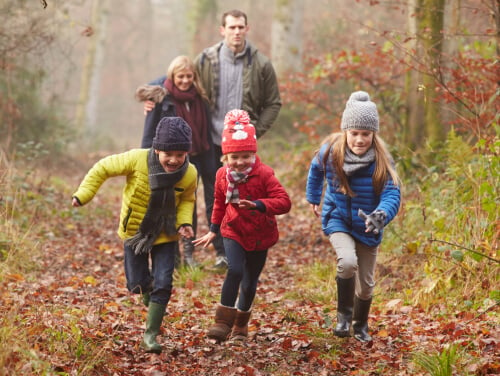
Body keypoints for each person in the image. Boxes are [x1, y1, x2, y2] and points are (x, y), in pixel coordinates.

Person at [143, 9, 282, 269]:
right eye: (231, 27)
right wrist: (153, 94)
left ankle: (225, 252)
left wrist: (252, 133)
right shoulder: (206, 59)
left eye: (241, 27)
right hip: (207, 141)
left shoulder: (261, 63)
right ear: (223, 30)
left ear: (247, 29)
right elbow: (178, 76)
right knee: (196, 195)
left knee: (229, 197)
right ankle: (190, 251)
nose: (237, 32)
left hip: (239, 147)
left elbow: (274, 102)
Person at [72, 117, 197, 353]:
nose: (174, 160)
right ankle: (150, 298)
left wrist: (184, 223)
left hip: (167, 235)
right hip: (135, 233)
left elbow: (187, 200)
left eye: (180, 154)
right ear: (157, 148)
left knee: (164, 282)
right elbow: (103, 168)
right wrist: (84, 194)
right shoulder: (136, 159)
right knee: (137, 284)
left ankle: (150, 336)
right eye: (168, 153)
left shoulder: (189, 173)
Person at [305, 91, 401, 342]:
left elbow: (392, 194)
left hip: (369, 225)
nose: (359, 139)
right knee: (347, 262)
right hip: (337, 218)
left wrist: (381, 215)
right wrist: (314, 197)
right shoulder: (330, 153)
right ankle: (343, 318)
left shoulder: (381, 160)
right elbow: (315, 170)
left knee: (367, 285)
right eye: (354, 133)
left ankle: (360, 324)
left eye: (365, 134)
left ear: (373, 134)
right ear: (346, 131)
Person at [193, 109, 291, 342]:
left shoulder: (265, 174)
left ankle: (240, 326)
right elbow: (218, 203)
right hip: (233, 229)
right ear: (225, 158)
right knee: (235, 269)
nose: (239, 162)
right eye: (234, 158)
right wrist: (213, 230)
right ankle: (222, 321)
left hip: (260, 234)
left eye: (245, 156)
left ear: (253, 154)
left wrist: (258, 204)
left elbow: (284, 202)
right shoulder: (221, 176)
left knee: (249, 283)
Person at [135, 55, 219, 268]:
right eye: (180, 76)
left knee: (196, 202)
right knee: (174, 205)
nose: (184, 81)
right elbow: (148, 134)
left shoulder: (199, 98)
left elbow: (206, 131)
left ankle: (191, 254)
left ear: (194, 77)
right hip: (172, 161)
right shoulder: (161, 98)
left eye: (188, 76)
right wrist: (147, 160)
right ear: (172, 76)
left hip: (200, 156)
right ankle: (176, 256)